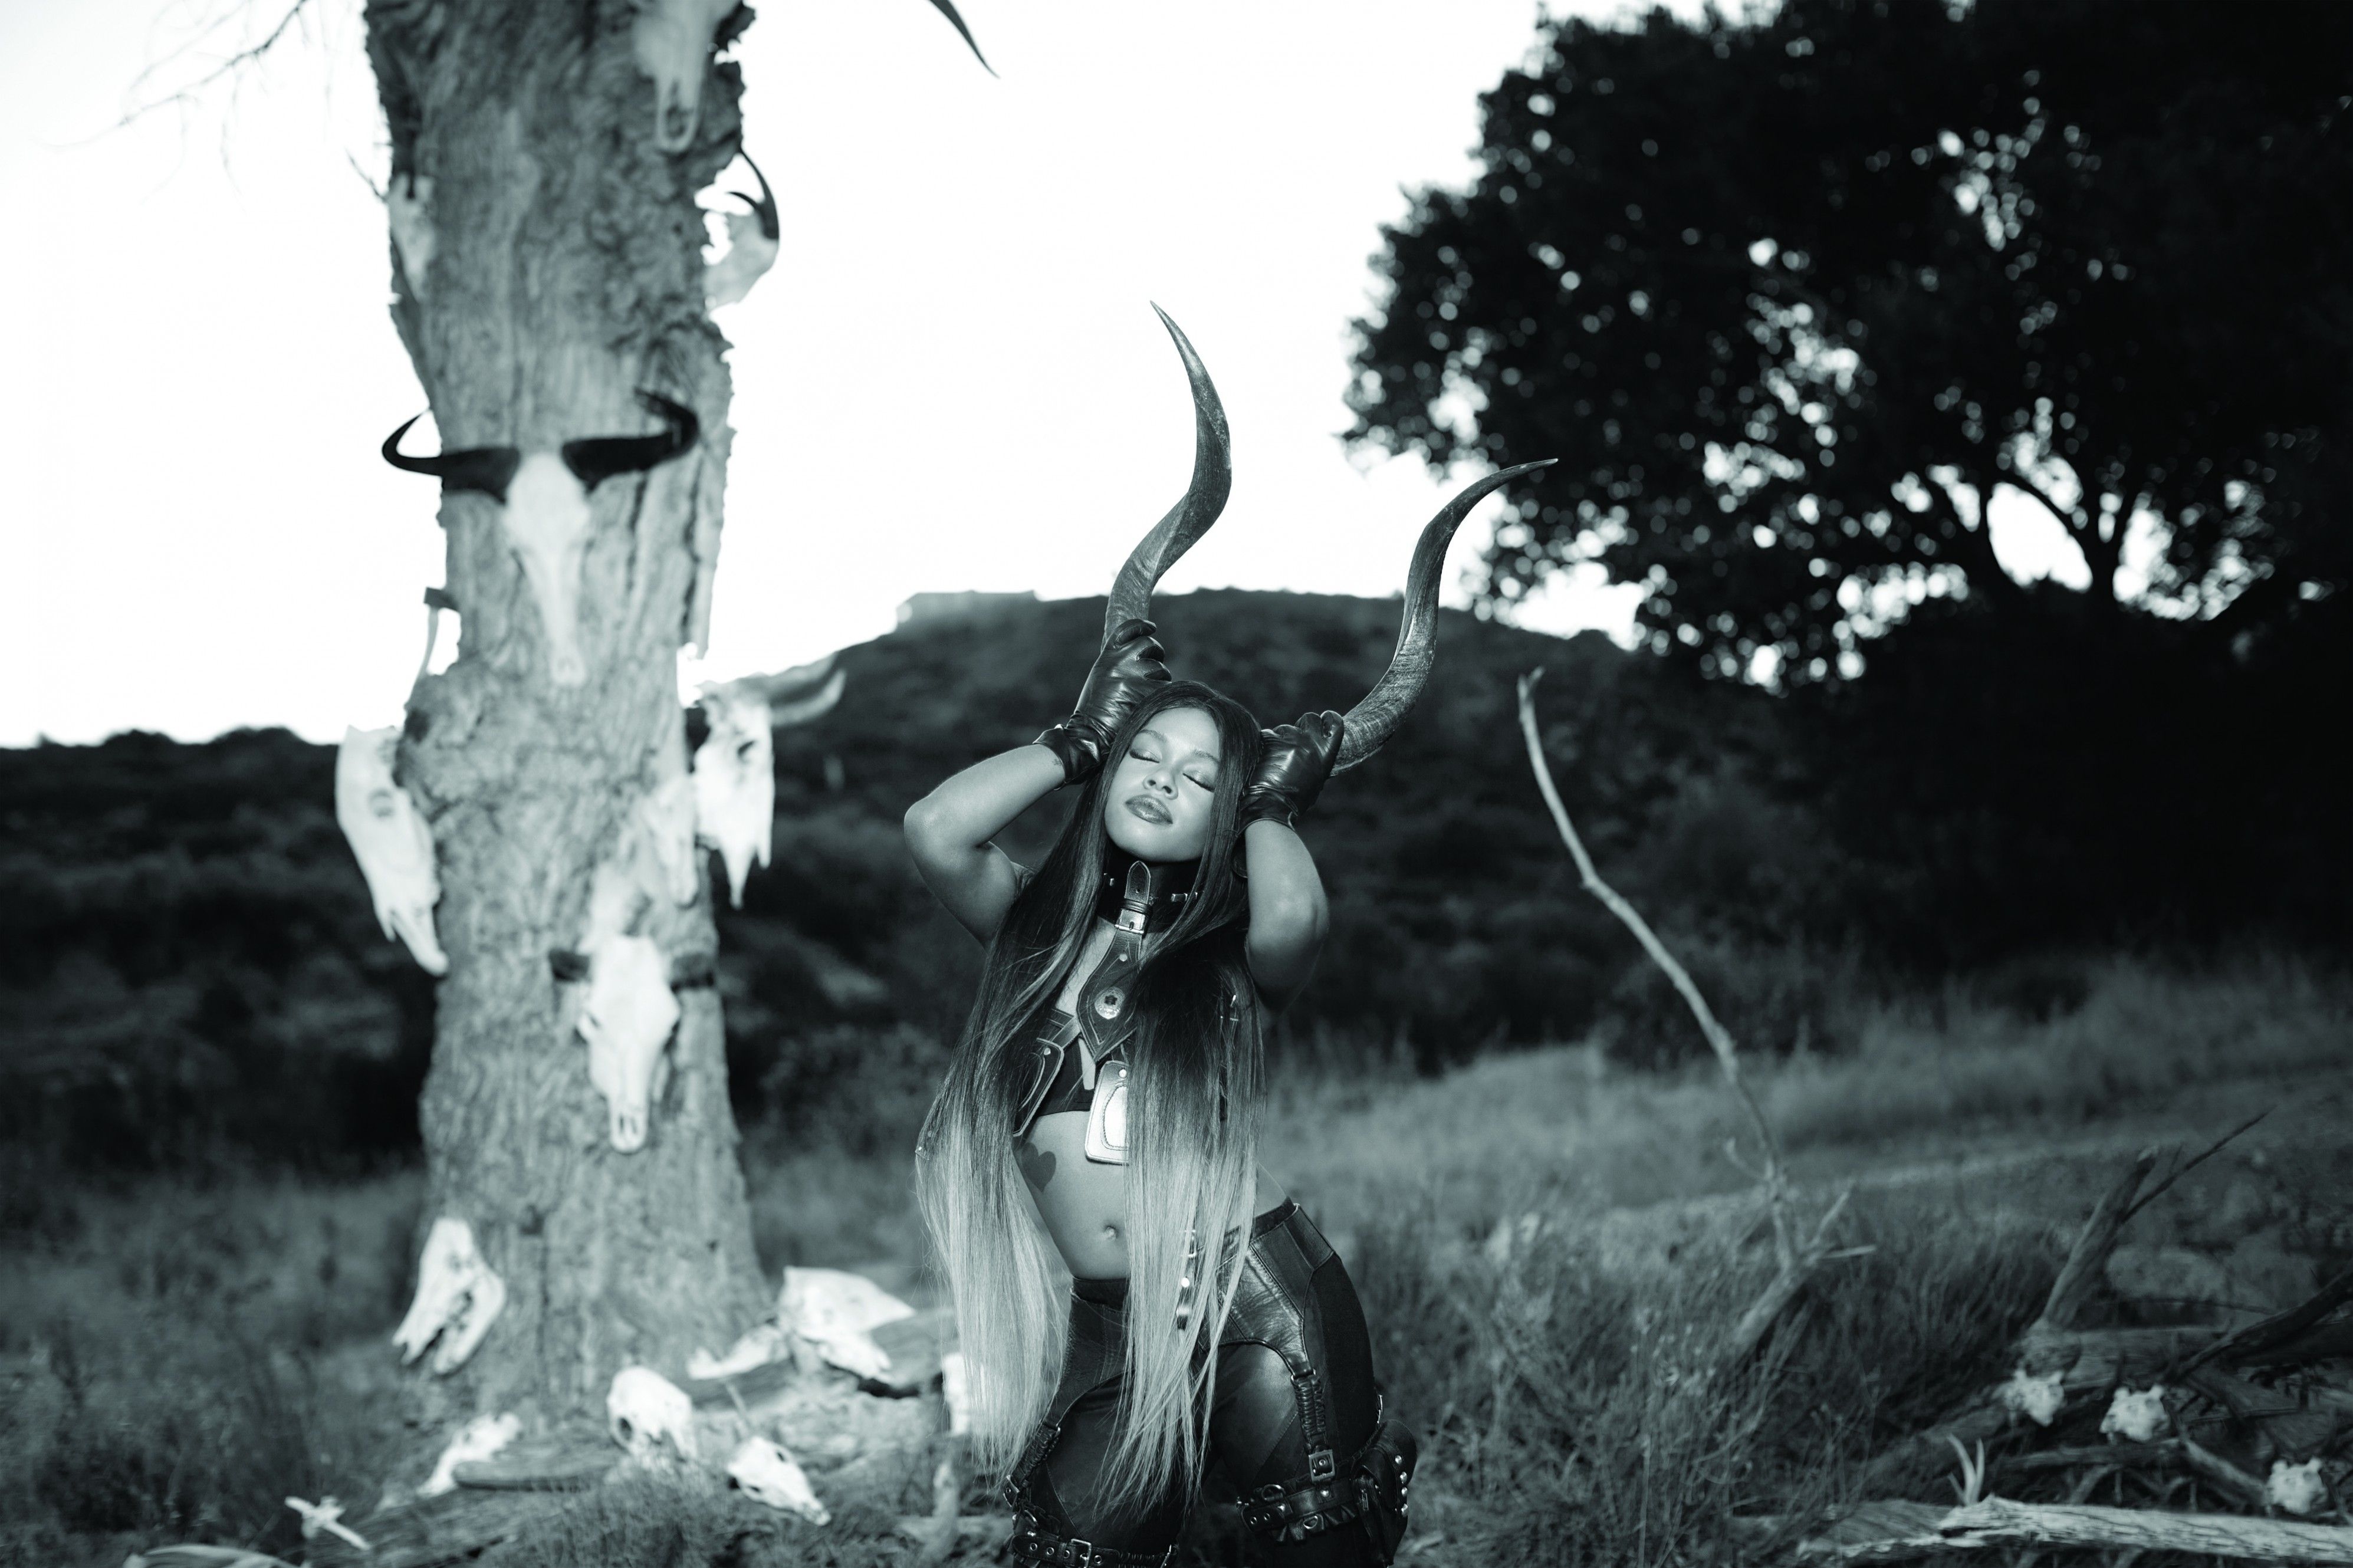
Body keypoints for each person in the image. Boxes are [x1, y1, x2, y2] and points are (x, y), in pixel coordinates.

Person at [902, 311, 1546, 1567]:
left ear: (1229, 816)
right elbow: (935, 828)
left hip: (1259, 1305)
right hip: (1112, 1330)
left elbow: (1297, 911)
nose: (1163, 778)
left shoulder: (1237, 965)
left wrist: (1270, 802)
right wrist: (1078, 735)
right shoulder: (1033, 932)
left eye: (1202, 777)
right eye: (1146, 754)